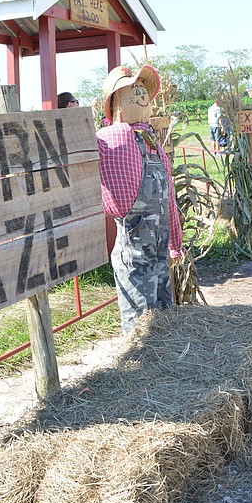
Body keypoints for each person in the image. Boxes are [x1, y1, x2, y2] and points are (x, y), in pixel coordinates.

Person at [97, 65, 183, 334]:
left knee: (164, 322)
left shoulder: (153, 145)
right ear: (116, 103)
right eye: (132, 89)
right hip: (133, 258)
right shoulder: (111, 138)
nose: (140, 93)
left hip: (158, 257)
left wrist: (175, 245)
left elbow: (169, 201)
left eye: (142, 88)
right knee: (140, 330)